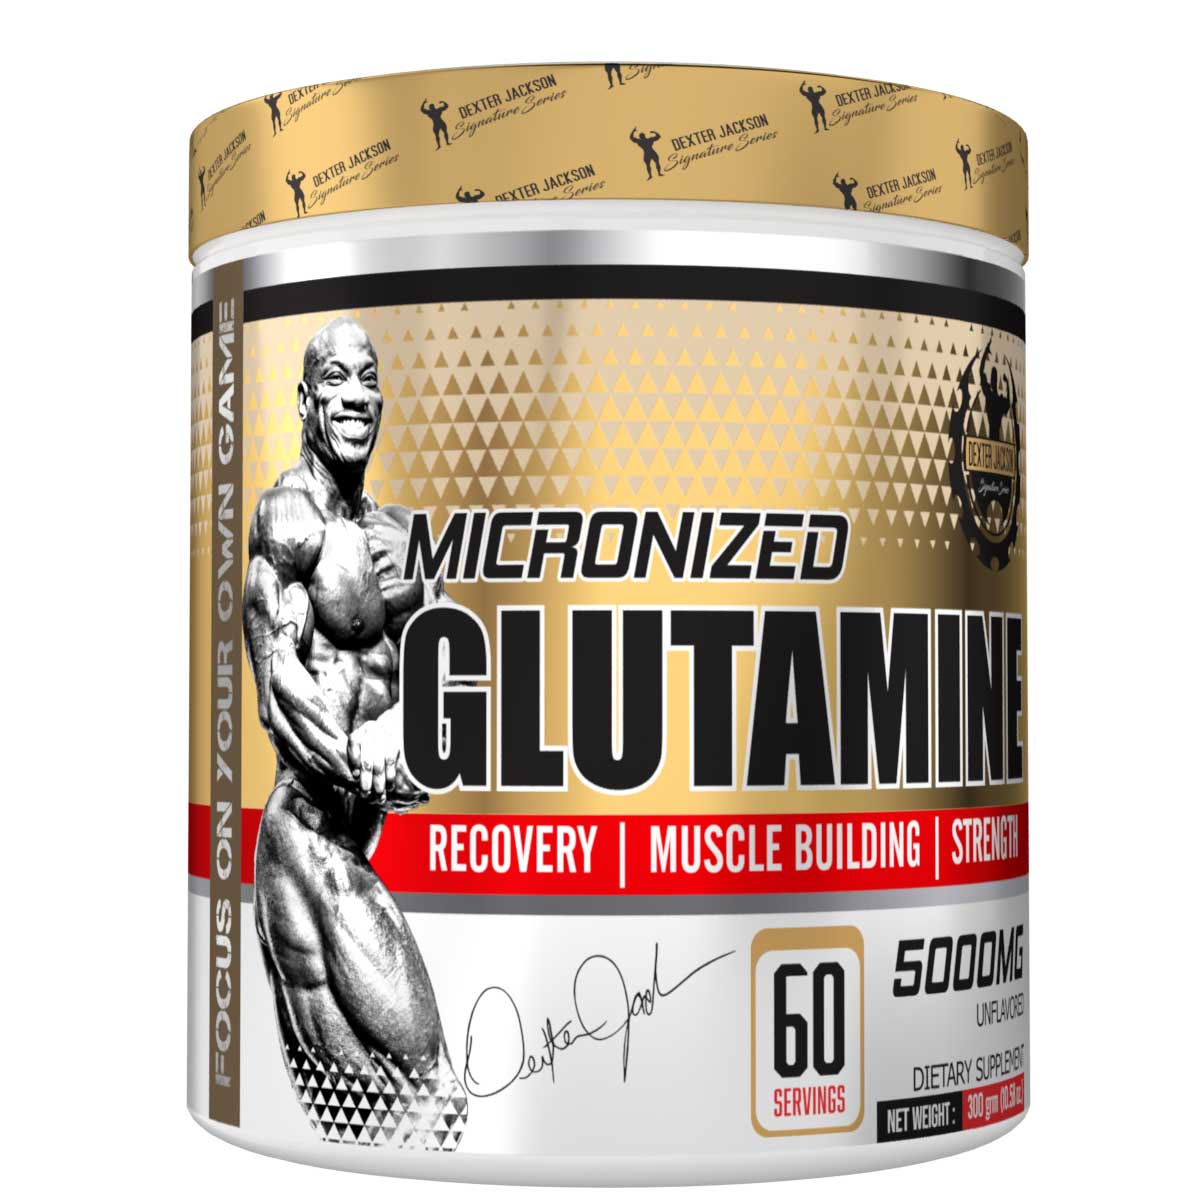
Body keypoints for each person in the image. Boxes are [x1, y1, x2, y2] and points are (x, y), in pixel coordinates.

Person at [243, 317, 467, 1149]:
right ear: (305, 400)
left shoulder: (402, 540)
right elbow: (279, 692)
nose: (355, 396)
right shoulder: (287, 524)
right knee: (430, 1093)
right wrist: (362, 765)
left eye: (368, 378)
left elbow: (461, 680)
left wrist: (408, 725)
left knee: (375, 1125)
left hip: (346, 846)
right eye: (335, 378)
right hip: (303, 841)